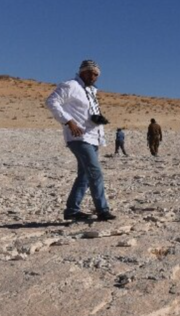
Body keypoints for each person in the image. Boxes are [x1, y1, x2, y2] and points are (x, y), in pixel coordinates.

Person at [45, 59, 116, 221]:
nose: (93, 76)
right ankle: (102, 210)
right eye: (90, 73)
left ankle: (72, 210)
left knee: (84, 175)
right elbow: (51, 101)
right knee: (95, 173)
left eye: (96, 74)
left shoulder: (91, 91)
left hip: (93, 137)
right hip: (79, 137)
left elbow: (84, 112)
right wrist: (69, 121)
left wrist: (97, 120)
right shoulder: (71, 86)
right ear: (82, 71)